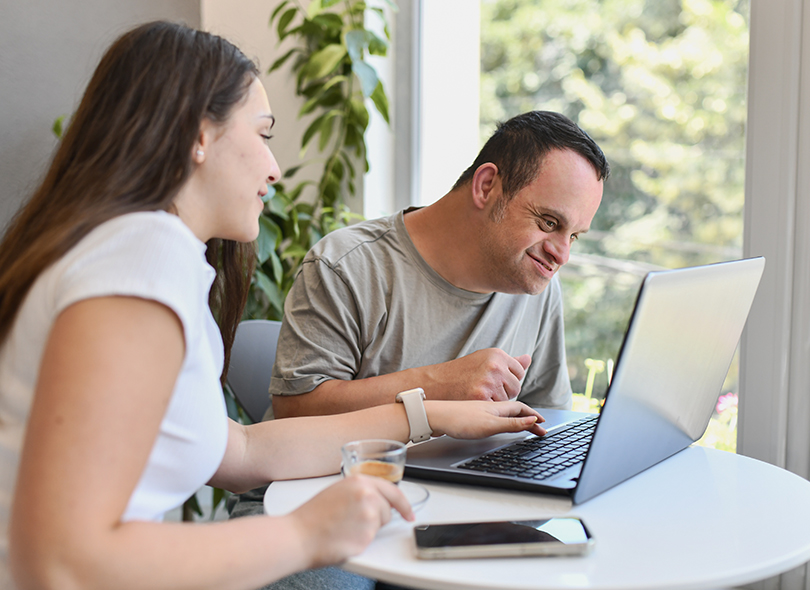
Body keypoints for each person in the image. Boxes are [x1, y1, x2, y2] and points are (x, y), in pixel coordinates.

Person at [0, 21, 551, 590]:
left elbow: (237, 450)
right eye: (262, 135)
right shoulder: (143, 257)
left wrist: (429, 415)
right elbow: (61, 560)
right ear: (197, 134)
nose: (274, 169)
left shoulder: (142, 251)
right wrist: (305, 535)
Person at [269, 109, 610, 421]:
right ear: (487, 186)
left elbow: (548, 415)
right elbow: (295, 410)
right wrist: (440, 384)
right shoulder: (347, 266)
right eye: (549, 223)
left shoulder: (536, 283)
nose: (561, 255)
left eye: (574, 236)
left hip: (471, 485)